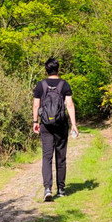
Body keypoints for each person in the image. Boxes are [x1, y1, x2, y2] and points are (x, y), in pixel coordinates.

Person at [32, 57, 79, 202]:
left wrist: (35, 122)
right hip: (61, 124)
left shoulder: (41, 86)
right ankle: (61, 189)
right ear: (58, 69)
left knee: (47, 157)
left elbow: (36, 106)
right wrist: (74, 125)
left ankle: (47, 189)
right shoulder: (64, 85)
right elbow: (69, 105)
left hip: (46, 125)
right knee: (61, 157)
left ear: (46, 70)